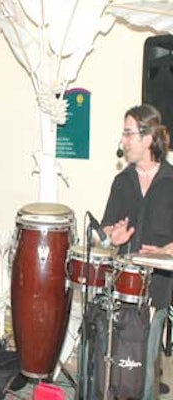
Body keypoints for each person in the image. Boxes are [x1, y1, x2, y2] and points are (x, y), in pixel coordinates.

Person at [101, 104, 173, 400]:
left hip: (158, 288)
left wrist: (168, 249)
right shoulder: (122, 181)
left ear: (148, 137)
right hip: (123, 286)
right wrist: (112, 237)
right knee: (121, 365)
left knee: (144, 367)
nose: (123, 141)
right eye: (124, 133)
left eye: (129, 133)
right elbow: (107, 229)